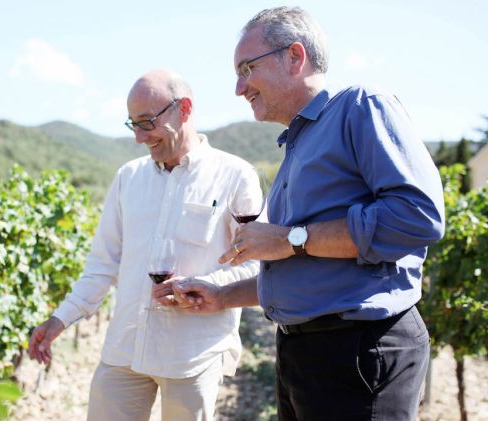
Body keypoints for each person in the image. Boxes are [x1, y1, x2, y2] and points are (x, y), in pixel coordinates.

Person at [165, 6, 446, 421]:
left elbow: (417, 217)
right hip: (306, 355)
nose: (239, 87)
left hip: (358, 350)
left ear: (295, 57)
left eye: (247, 68)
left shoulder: (361, 107)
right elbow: (307, 270)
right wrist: (223, 296)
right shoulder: (297, 144)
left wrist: (289, 238)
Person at [28, 69, 261, 421]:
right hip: (125, 348)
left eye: (147, 123)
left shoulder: (235, 175)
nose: (139, 137)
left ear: (184, 109)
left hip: (192, 355)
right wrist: (61, 319)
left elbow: (255, 263)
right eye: (133, 125)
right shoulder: (128, 178)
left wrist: (208, 286)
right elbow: (102, 264)